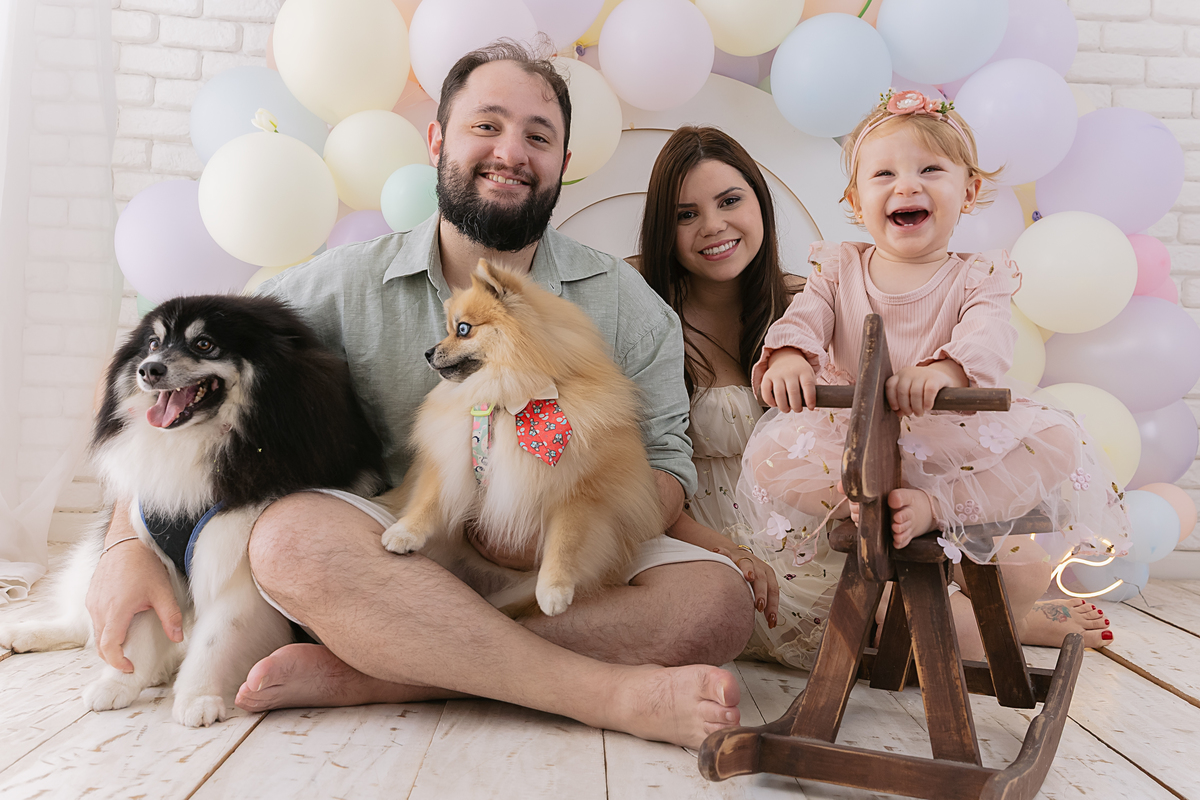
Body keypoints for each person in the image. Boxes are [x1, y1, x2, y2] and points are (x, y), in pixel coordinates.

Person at [84, 42, 755, 749]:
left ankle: (383, 674)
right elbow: (182, 408)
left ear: (564, 162)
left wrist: (556, 524)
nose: (512, 152)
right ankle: (607, 694)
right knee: (287, 540)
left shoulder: (628, 307)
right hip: (387, 564)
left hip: (551, 571)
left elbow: (668, 472)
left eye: (539, 136)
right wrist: (125, 542)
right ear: (437, 141)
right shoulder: (331, 287)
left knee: (718, 604)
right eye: (486, 126)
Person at [741, 91, 1129, 660]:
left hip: (952, 438)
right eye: (884, 174)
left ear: (968, 191)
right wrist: (791, 357)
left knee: (1058, 442)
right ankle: (874, 500)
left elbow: (989, 336)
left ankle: (936, 508)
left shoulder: (979, 276)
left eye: (930, 169)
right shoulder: (837, 268)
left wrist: (947, 368)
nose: (906, 186)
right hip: (854, 438)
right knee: (769, 458)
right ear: (855, 200)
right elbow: (805, 316)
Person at [636, 126, 843, 670]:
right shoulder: (644, 313)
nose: (713, 226)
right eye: (686, 215)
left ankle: (1030, 616)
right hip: (695, 544)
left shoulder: (808, 303)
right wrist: (731, 552)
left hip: (803, 537)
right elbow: (634, 476)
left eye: (730, 201)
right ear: (665, 229)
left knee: (938, 603)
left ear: (760, 203)